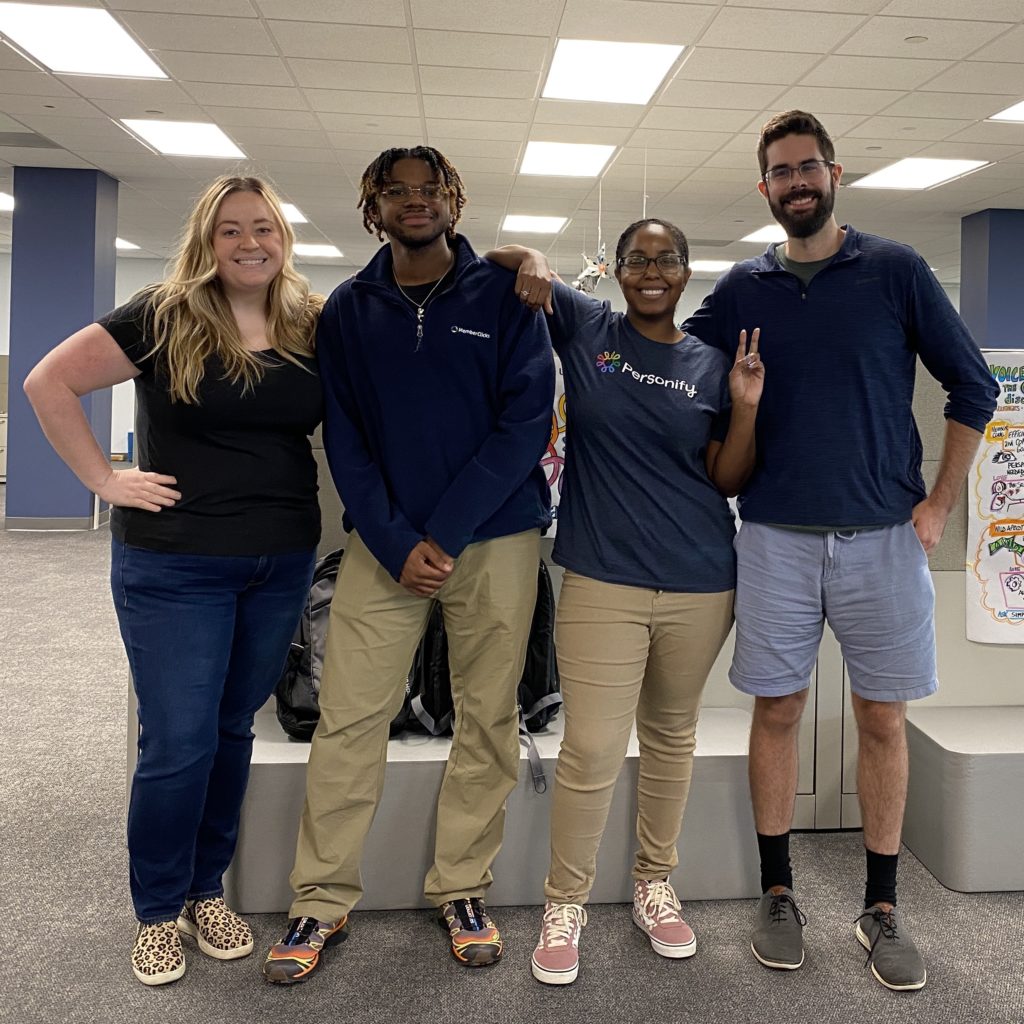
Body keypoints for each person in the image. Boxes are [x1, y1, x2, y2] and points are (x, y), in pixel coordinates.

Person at [683, 110, 1000, 992]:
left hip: (883, 543)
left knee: (881, 720)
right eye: (780, 172)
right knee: (776, 713)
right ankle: (778, 891)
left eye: (808, 167)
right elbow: (671, 357)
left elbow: (973, 386)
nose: (796, 183)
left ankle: (882, 904)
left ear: (835, 173)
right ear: (764, 188)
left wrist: (940, 503)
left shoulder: (894, 270)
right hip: (777, 538)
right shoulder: (745, 286)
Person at [261, 146, 554, 984]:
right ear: (374, 206)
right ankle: (320, 900)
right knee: (349, 717)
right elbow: (343, 438)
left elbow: (525, 420)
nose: (415, 203)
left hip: (494, 538)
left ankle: (461, 888)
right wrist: (395, 540)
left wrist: (448, 532)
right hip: (383, 547)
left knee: (488, 719)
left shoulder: (507, 294)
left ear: (454, 202)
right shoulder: (349, 310)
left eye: (430, 191)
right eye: (399, 192)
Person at [22, 175, 324, 986]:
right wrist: (104, 478)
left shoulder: (308, 320)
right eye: (231, 230)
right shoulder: (164, 313)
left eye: (263, 227)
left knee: (230, 731)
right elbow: (47, 382)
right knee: (179, 741)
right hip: (175, 562)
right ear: (208, 237)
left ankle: (204, 891)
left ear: (281, 236)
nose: (249, 242)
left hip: (279, 558)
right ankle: (157, 911)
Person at [486, 218, 764, 985]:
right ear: (614, 269)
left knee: (672, 737)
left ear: (685, 271)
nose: (651, 271)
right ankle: (564, 902)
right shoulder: (587, 327)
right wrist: (535, 257)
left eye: (666, 259)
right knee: (592, 749)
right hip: (603, 578)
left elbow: (728, 478)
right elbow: (489, 258)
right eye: (636, 259)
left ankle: (654, 885)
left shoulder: (712, 362)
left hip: (702, 579)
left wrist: (743, 406)